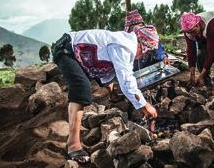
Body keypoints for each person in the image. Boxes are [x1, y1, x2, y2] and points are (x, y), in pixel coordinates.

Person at [53, 27, 158, 163]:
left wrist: (116, 94)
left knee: (110, 71)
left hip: (81, 54)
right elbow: (126, 81)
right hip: (67, 50)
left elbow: (110, 72)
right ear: (142, 44)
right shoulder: (124, 46)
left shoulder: (124, 44)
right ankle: (73, 144)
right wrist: (145, 105)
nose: (143, 56)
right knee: (81, 88)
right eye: (146, 52)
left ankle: (113, 96)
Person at [107, 9, 170, 102]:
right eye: (133, 27)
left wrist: (164, 57)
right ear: (128, 28)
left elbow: (158, 49)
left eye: (139, 26)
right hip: (133, 70)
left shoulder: (149, 35)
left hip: (149, 67)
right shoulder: (123, 42)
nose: (137, 29)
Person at [179, 11, 214, 92]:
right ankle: (206, 81)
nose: (192, 33)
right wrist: (192, 76)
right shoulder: (188, 31)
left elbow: (212, 51)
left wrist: (201, 75)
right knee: (201, 54)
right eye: (190, 32)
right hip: (206, 34)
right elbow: (191, 51)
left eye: (193, 30)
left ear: (198, 23)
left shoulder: (211, 23)